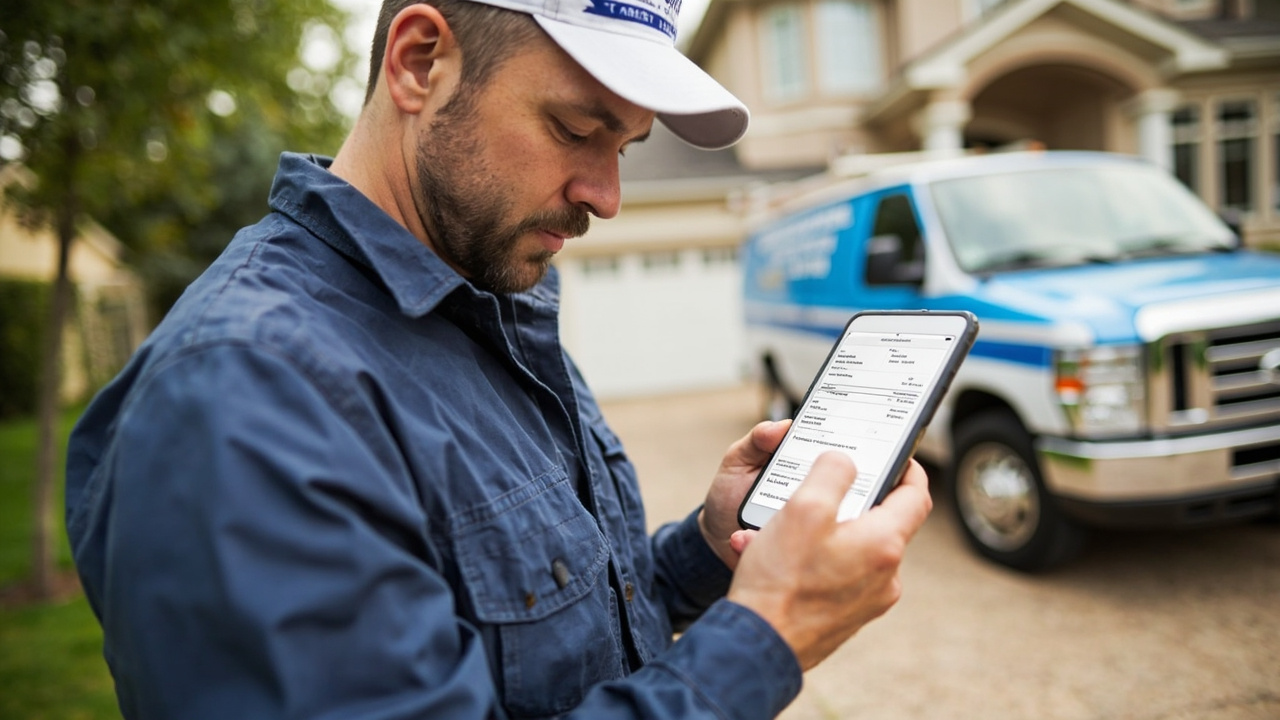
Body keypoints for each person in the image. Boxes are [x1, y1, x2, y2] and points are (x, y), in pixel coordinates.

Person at [64, 0, 934, 718]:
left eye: (623, 147)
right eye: (575, 129)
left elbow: (555, 643)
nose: (609, 195)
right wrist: (771, 633)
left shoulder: (488, 301)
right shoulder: (245, 393)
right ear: (418, 62)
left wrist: (711, 549)